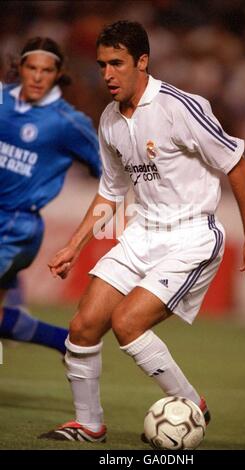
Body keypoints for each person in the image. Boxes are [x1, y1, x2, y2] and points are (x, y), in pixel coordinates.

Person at [40, 21, 245, 442]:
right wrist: (74, 245)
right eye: (101, 64)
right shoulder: (109, 120)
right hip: (142, 232)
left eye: (117, 63)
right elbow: (110, 192)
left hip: (191, 235)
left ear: (142, 62)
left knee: (128, 323)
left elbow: (234, 161)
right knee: (83, 326)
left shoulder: (178, 107)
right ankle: (89, 424)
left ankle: (191, 406)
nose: (106, 74)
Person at [0, 37, 101, 355]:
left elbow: (111, 173)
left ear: (58, 74)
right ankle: (65, 342)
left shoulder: (68, 123)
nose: (38, 77)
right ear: (19, 68)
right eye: (32, 68)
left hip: (17, 226)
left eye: (46, 70)